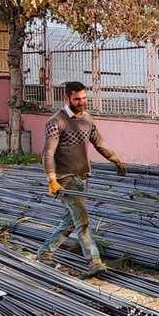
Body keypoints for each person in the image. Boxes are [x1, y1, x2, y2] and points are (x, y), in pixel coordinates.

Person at [38, 82, 128, 276]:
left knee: (71, 220)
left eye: (84, 98)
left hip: (82, 177)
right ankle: (94, 261)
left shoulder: (87, 119)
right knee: (83, 222)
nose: (82, 102)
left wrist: (115, 159)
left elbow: (99, 142)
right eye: (77, 99)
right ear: (67, 99)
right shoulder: (56, 122)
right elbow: (48, 153)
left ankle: (45, 252)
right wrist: (51, 180)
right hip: (65, 179)